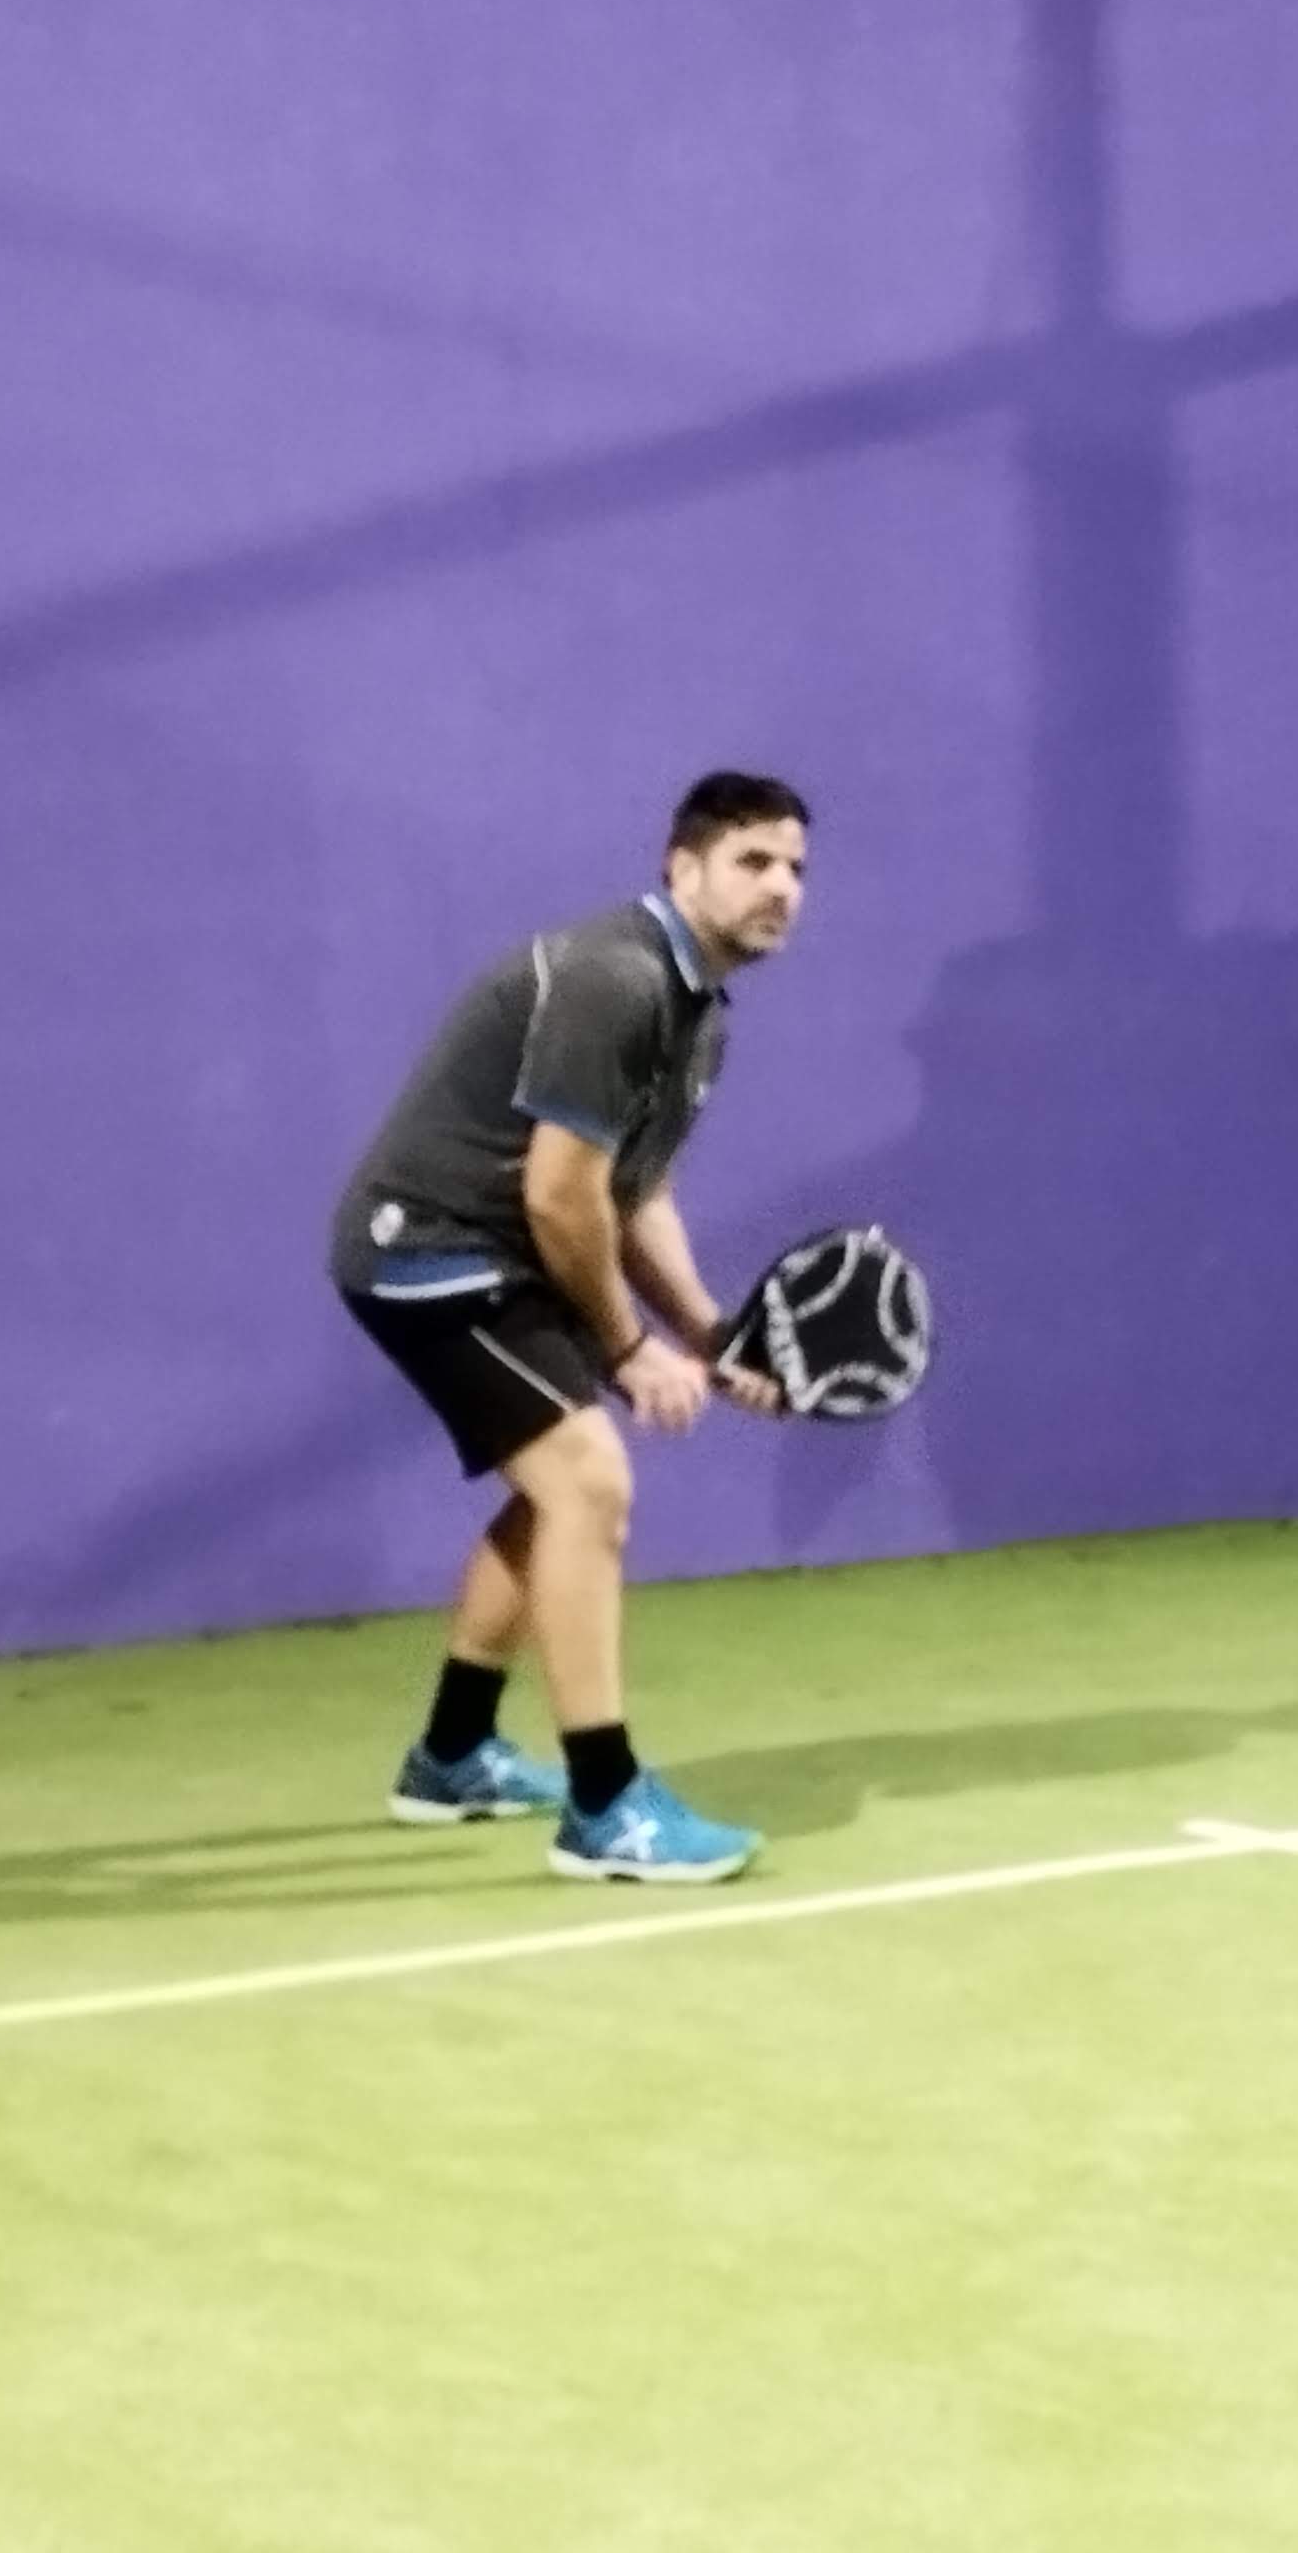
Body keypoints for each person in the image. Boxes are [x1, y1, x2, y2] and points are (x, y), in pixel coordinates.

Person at [329, 772, 810, 1882]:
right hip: (427, 1251)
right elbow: (559, 1196)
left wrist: (707, 1332)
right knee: (588, 1481)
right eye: (753, 862)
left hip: (505, 1248)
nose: (781, 887)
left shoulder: (698, 1013)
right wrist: (631, 1350)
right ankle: (606, 1806)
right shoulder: (617, 980)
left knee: (554, 1488)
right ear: (682, 867)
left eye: (795, 868)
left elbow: (634, 1193)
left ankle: (452, 1755)